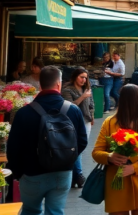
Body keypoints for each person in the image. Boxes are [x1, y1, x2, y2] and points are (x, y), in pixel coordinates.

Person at [8, 66, 88, 215]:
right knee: (55, 211)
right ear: (59, 84)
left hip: (31, 173)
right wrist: (66, 159)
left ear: (39, 85)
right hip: (62, 173)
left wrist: (18, 173)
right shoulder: (73, 110)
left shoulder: (24, 112)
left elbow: (13, 148)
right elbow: (82, 141)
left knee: (31, 210)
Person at [92, 84, 138, 215]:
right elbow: (97, 152)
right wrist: (109, 157)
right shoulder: (109, 122)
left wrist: (134, 167)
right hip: (120, 182)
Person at [61, 67, 95, 188]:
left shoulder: (86, 88)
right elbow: (69, 106)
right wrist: (82, 97)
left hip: (86, 121)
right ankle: (78, 175)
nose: (84, 80)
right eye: (81, 77)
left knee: (80, 148)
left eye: (85, 78)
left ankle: (75, 176)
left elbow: (91, 104)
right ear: (75, 76)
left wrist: (92, 116)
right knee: (76, 149)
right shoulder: (67, 90)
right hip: (73, 122)